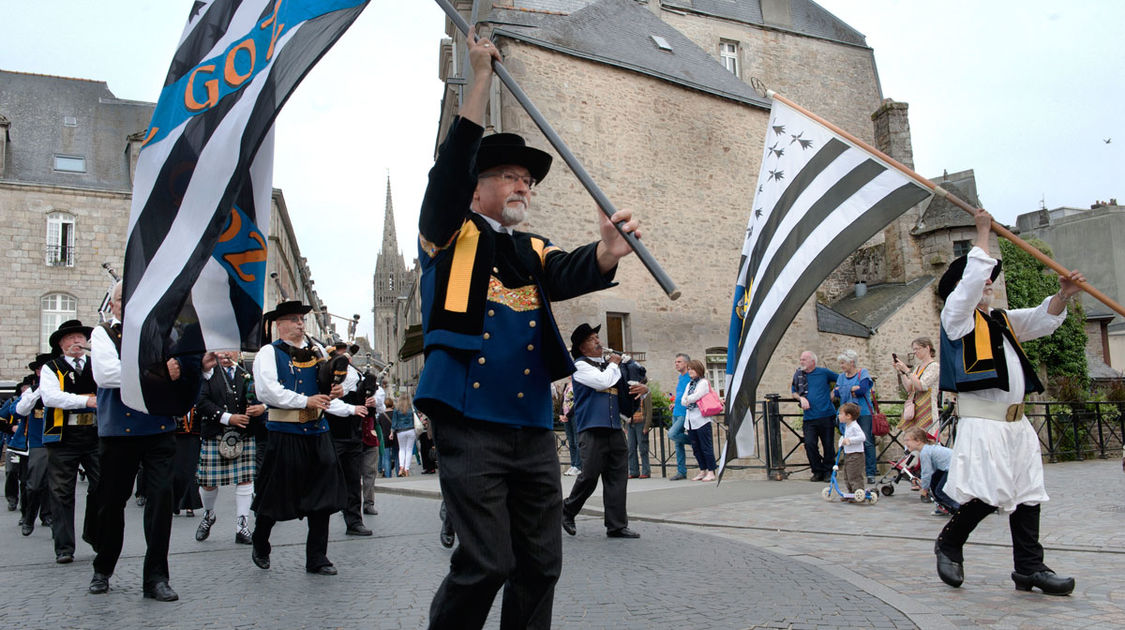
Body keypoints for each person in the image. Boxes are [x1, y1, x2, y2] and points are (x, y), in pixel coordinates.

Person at [414, 29, 641, 630]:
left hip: (532, 427)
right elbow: (445, 178)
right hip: (468, 421)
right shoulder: (447, 234)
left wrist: (608, 250)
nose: (524, 187)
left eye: (529, 180)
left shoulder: (534, 248)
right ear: (479, 186)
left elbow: (570, 269)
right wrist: (479, 78)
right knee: (485, 562)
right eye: (512, 176)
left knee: (540, 566)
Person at [933, 208, 1081, 596]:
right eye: (983, 281)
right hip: (984, 422)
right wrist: (982, 233)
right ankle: (949, 542)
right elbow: (967, 288)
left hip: (1016, 425)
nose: (988, 286)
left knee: (1028, 492)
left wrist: (1062, 296)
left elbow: (1041, 319)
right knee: (990, 491)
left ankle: (1029, 569)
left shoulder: (1000, 321)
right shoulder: (956, 318)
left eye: (989, 282)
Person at [90, 281, 211, 601]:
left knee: (160, 503)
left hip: (159, 429)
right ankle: (102, 568)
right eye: (121, 299)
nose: (128, 305)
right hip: (119, 432)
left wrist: (201, 368)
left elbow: (182, 372)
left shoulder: (164, 334)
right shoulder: (103, 333)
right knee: (111, 505)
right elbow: (106, 375)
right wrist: (157, 371)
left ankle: (156, 577)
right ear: (112, 305)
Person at [250, 300, 356, 576]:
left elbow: (332, 383)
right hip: (285, 433)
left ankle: (317, 557)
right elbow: (267, 392)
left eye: (302, 319)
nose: (300, 323)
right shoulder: (268, 353)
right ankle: (260, 540)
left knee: (323, 497)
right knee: (274, 495)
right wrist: (305, 400)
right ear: (280, 324)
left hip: (318, 432)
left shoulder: (318, 351)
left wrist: (336, 391)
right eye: (295, 319)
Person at [562, 323, 647, 539]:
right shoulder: (580, 367)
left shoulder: (608, 366)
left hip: (614, 428)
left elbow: (628, 387)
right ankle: (567, 510)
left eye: (598, 337)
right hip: (591, 428)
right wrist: (615, 364)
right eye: (592, 339)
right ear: (582, 348)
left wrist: (643, 389)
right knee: (589, 475)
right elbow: (603, 383)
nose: (599, 342)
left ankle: (617, 526)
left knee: (618, 477)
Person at [38, 320, 101, 564]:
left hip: (95, 434)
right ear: (61, 344)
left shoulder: (97, 365)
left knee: (102, 485)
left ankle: (92, 531)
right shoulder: (51, 368)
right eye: (70, 338)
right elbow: (51, 397)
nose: (76, 342)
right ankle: (64, 547)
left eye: (80, 338)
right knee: (62, 492)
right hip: (63, 437)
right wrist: (86, 400)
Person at [193, 351, 265, 544]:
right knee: (208, 482)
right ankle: (209, 515)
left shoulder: (248, 369)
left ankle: (242, 527)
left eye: (230, 349)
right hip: (215, 433)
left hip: (244, 434)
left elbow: (267, 392)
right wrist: (227, 418)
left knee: (245, 480)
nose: (225, 354)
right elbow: (200, 401)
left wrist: (263, 407)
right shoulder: (207, 371)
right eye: (220, 349)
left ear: (238, 351)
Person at [325, 347, 372, 536]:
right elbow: (327, 401)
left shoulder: (357, 372)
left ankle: (354, 520)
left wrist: (373, 400)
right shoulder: (328, 371)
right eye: (342, 352)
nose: (347, 355)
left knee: (354, 479)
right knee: (328, 478)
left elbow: (371, 395)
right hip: (334, 433)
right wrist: (352, 409)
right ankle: (321, 518)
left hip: (354, 433)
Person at [13, 357, 54, 536]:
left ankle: (50, 517)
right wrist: (38, 391)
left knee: (56, 486)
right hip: (39, 443)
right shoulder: (31, 390)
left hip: (60, 442)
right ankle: (29, 517)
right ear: (38, 373)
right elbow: (19, 410)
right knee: (35, 484)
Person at [792, 351, 838, 482]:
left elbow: (841, 379)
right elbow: (793, 392)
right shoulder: (799, 375)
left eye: (804, 359)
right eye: (801, 359)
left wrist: (834, 392)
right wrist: (801, 398)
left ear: (812, 361)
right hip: (809, 417)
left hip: (826, 414)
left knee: (828, 445)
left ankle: (829, 471)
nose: (801, 362)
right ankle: (817, 470)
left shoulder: (823, 372)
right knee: (810, 444)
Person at [832, 349, 876, 483]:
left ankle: (870, 472)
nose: (841, 366)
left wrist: (845, 389)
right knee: (847, 441)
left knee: (867, 441)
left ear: (852, 362)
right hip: (847, 415)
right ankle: (850, 472)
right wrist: (852, 389)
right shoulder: (841, 377)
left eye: (843, 363)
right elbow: (836, 393)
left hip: (863, 413)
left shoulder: (863, 373)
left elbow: (862, 390)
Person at [902, 427, 958, 516]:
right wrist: (924, 482)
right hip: (950, 466)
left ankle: (959, 509)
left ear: (918, 441)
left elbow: (927, 472)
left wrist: (924, 488)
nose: (906, 443)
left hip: (953, 467)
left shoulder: (925, 452)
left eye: (907, 440)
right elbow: (932, 471)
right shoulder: (928, 449)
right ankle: (942, 506)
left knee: (940, 491)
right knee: (935, 481)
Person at [680, 359, 717, 482]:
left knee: (706, 446)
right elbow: (683, 400)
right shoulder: (689, 384)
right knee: (696, 447)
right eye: (689, 369)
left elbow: (697, 396)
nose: (690, 371)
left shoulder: (703, 383)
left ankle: (711, 471)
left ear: (699, 370)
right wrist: (688, 399)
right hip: (690, 420)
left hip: (702, 419)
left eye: (692, 369)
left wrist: (688, 399)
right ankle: (702, 470)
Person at [893, 338, 940, 431]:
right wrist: (902, 372)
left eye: (917, 349)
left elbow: (922, 386)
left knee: (926, 437)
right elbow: (909, 387)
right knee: (913, 437)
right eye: (913, 349)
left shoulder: (934, 366)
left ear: (927, 348)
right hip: (916, 408)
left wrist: (907, 370)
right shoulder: (918, 367)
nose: (915, 352)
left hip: (927, 408)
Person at [620, 353, 650, 479]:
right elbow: (627, 408)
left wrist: (646, 426)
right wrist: (625, 424)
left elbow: (649, 410)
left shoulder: (646, 391)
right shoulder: (630, 391)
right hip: (631, 422)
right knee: (631, 448)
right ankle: (633, 471)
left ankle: (645, 471)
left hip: (641, 422)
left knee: (643, 448)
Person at [668, 353, 692, 480]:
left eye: (679, 362)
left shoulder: (690, 377)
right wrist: (674, 403)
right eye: (676, 362)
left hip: (684, 413)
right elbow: (681, 394)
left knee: (672, 434)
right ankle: (681, 471)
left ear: (687, 364)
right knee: (677, 444)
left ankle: (694, 441)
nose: (676, 364)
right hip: (676, 412)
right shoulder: (680, 377)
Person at [836, 402, 866, 495]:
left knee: (854, 475)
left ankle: (858, 492)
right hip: (849, 454)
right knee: (847, 475)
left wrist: (849, 440)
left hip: (856, 455)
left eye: (841, 414)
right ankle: (851, 492)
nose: (839, 416)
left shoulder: (854, 426)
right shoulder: (848, 426)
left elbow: (862, 437)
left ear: (848, 416)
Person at [557, 379, 581, 476]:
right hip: (566, 415)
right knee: (571, 442)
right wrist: (561, 414)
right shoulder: (567, 384)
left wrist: (568, 415)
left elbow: (577, 401)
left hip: (574, 415)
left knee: (577, 440)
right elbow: (563, 399)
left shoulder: (578, 383)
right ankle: (573, 464)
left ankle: (578, 466)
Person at [390, 393, 416, 477]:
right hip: (411, 430)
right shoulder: (412, 408)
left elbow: (394, 422)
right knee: (409, 450)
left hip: (400, 431)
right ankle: (406, 469)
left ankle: (401, 467)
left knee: (401, 449)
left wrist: (391, 432)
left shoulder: (397, 409)